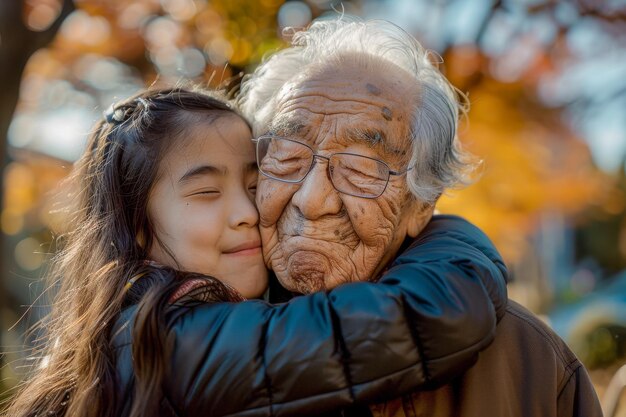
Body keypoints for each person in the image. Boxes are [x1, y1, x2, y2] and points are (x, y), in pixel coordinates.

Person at [2, 87, 507, 417]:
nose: (246, 211)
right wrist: (453, 238)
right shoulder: (168, 339)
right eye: (205, 192)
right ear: (135, 227)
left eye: (254, 182)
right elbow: (413, 324)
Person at [238, 17, 603, 417]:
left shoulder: (531, 365)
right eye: (288, 158)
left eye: (359, 170)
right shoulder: (188, 332)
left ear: (421, 205)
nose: (311, 200)